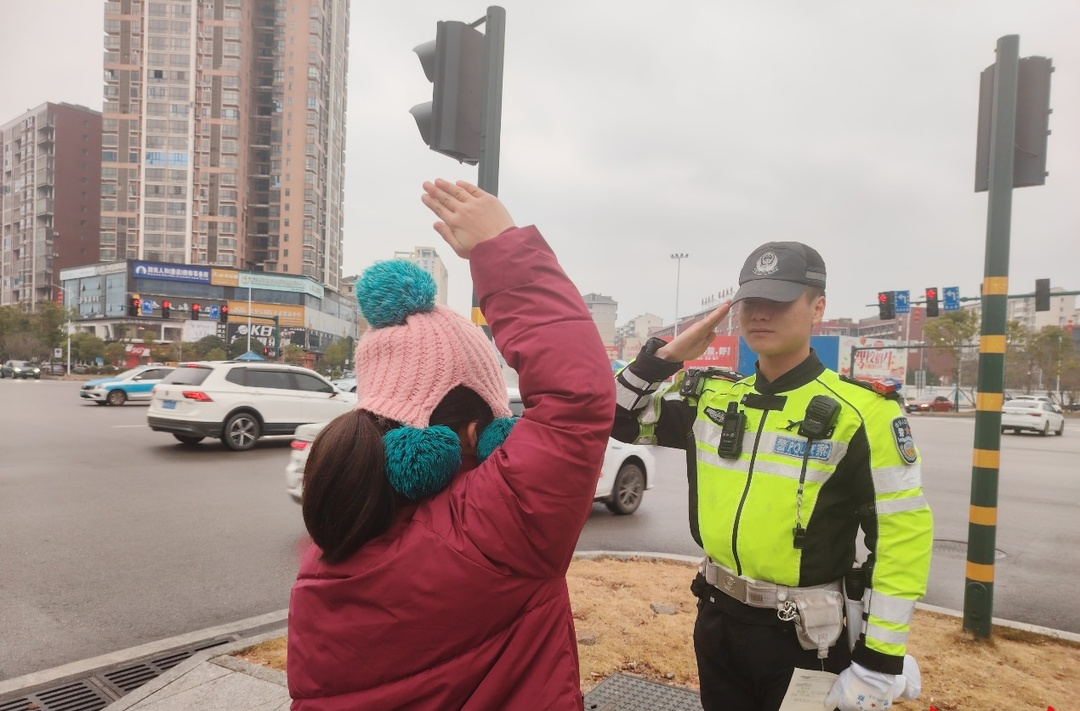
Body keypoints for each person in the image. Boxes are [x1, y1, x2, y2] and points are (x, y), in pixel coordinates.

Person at [287, 179, 615, 710]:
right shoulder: (493, 532)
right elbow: (577, 399)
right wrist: (505, 252)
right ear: (469, 435)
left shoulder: (328, 552)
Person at [612, 242, 933, 711]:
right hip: (717, 617)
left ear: (817, 307)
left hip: (807, 637)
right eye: (751, 301)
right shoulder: (715, 398)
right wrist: (662, 358)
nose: (760, 314)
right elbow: (613, 418)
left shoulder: (864, 412)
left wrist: (878, 661)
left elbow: (902, 538)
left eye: (779, 301)